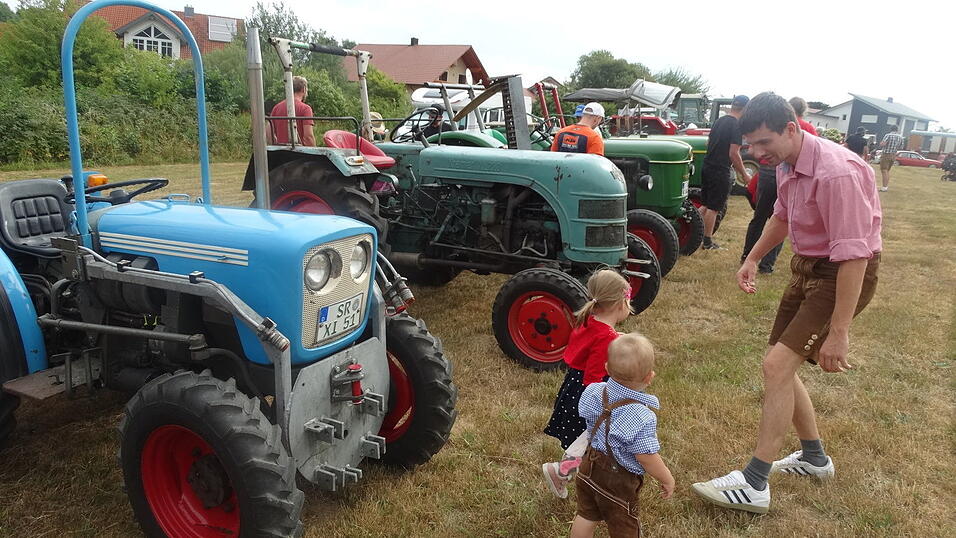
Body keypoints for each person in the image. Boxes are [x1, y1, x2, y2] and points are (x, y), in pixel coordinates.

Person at [692, 92, 881, 514]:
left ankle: (755, 481)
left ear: (791, 129)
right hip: (809, 265)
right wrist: (753, 259)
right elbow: (781, 217)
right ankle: (815, 459)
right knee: (781, 363)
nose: (756, 153)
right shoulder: (789, 164)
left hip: (843, 271)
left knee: (777, 365)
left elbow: (854, 255)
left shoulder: (836, 173)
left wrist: (839, 332)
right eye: (750, 144)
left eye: (763, 142)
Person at [568, 333, 675, 538]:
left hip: (588, 466)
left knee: (586, 515)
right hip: (618, 483)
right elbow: (645, 456)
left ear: (607, 368)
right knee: (624, 527)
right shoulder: (642, 415)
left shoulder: (594, 391)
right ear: (649, 377)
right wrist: (666, 477)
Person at [542, 270, 632, 498]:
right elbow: (594, 378)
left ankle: (573, 474)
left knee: (587, 440)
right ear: (620, 304)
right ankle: (561, 472)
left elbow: (592, 345)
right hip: (589, 394)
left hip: (574, 386)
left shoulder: (590, 320)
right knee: (589, 438)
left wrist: (614, 338)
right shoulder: (605, 337)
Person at [699, 94, 751, 250]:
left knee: (705, 205)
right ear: (746, 109)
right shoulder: (736, 125)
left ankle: (693, 234)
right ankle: (707, 242)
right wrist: (744, 174)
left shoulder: (719, 121)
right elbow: (734, 153)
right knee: (714, 208)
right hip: (720, 169)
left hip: (707, 165)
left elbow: (709, 142)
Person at [740, 158, 784, 274]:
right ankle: (765, 266)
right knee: (780, 220)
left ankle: (747, 257)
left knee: (759, 219)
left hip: (767, 170)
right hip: (784, 169)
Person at [266, 75, 315, 146]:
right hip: (300, 153)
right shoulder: (305, 109)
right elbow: (308, 137)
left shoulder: (276, 108)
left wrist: (277, 145)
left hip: (282, 152)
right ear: (303, 89)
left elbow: (268, 132)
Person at [878, 125, 905, 191]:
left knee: (884, 170)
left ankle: (884, 187)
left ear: (891, 129)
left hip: (886, 154)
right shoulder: (900, 137)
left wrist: (880, 143)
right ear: (897, 130)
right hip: (893, 155)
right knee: (887, 171)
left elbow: (883, 144)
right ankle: (885, 186)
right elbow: (901, 147)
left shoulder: (888, 135)